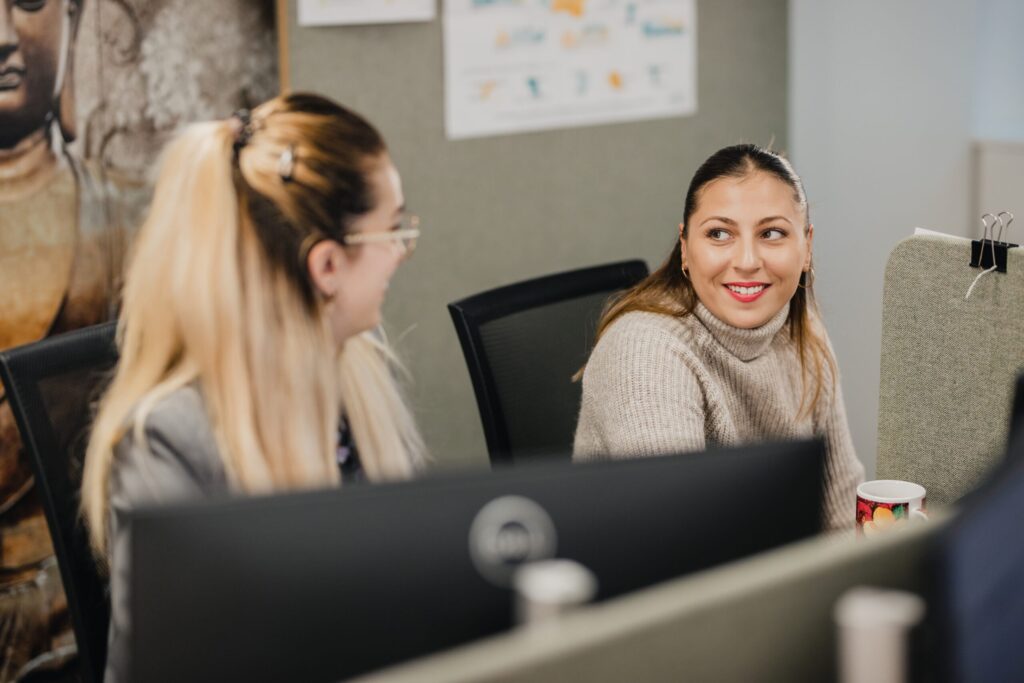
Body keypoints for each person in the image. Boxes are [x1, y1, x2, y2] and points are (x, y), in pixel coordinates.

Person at [80, 93, 427, 681]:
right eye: (392, 229)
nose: (400, 250)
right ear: (327, 268)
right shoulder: (167, 441)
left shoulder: (361, 377)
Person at [573, 143, 863, 531]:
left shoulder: (803, 330)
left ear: (806, 247)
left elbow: (843, 515)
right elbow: (677, 546)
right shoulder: (646, 352)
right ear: (685, 248)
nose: (746, 261)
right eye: (719, 233)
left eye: (772, 233)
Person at [0, 0, 138, 677]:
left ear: (75, 20)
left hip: (75, 592)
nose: (1, 38)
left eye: (26, 3)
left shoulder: (123, 216)